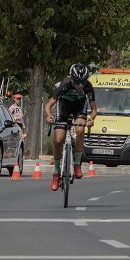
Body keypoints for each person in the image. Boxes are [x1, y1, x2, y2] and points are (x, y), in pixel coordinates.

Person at [45, 63, 96, 191]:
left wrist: (91, 119)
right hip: (64, 106)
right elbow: (49, 105)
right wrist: (49, 116)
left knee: (80, 129)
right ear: (72, 79)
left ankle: (77, 164)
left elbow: (94, 109)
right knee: (58, 139)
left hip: (79, 106)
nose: (80, 85)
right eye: (77, 81)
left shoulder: (88, 87)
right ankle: (56, 173)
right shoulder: (65, 85)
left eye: (83, 81)